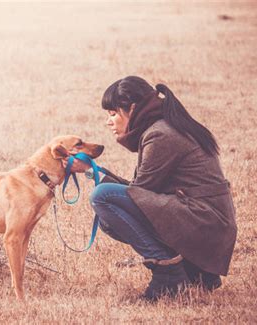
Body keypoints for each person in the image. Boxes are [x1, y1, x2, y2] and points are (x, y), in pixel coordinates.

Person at [64, 76, 237, 301]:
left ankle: (169, 274)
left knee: (103, 198)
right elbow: (141, 193)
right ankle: (196, 271)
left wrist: (93, 174)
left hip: (205, 222)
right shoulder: (164, 126)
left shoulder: (160, 134)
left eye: (113, 113)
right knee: (109, 215)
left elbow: (138, 195)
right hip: (207, 220)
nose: (108, 122)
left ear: (133, 108)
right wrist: (90, 170)